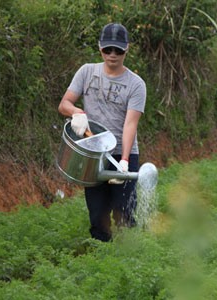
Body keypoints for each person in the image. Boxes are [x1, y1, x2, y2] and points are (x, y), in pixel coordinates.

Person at [58, 23, 147, 242]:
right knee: (98, 215)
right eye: (108, 49)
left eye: (118, 50)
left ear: (127, 49)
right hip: (94, 155)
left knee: (123, 211)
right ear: (100, 48)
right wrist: (77, 112)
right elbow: (64, 103)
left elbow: (130, 125)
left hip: (122, 154)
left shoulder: (136, 84)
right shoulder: (87, 72)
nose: (113, 55)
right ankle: (101, 254)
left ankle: (130, 253)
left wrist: (124, 161)